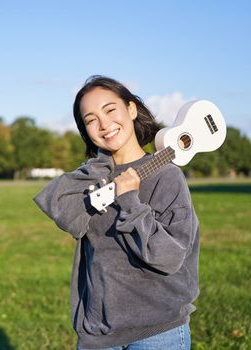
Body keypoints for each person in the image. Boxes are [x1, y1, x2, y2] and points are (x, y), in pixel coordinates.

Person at [33, 75, 199, 350]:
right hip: (98, 332)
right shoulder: (91, 179)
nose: (104, 124)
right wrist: (100, 166)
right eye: (91, 119)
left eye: (110, 110)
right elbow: (61, 209)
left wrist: (131, 202)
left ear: (131, 109)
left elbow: (169, 258)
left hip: (157, 331)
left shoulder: (166, 176)